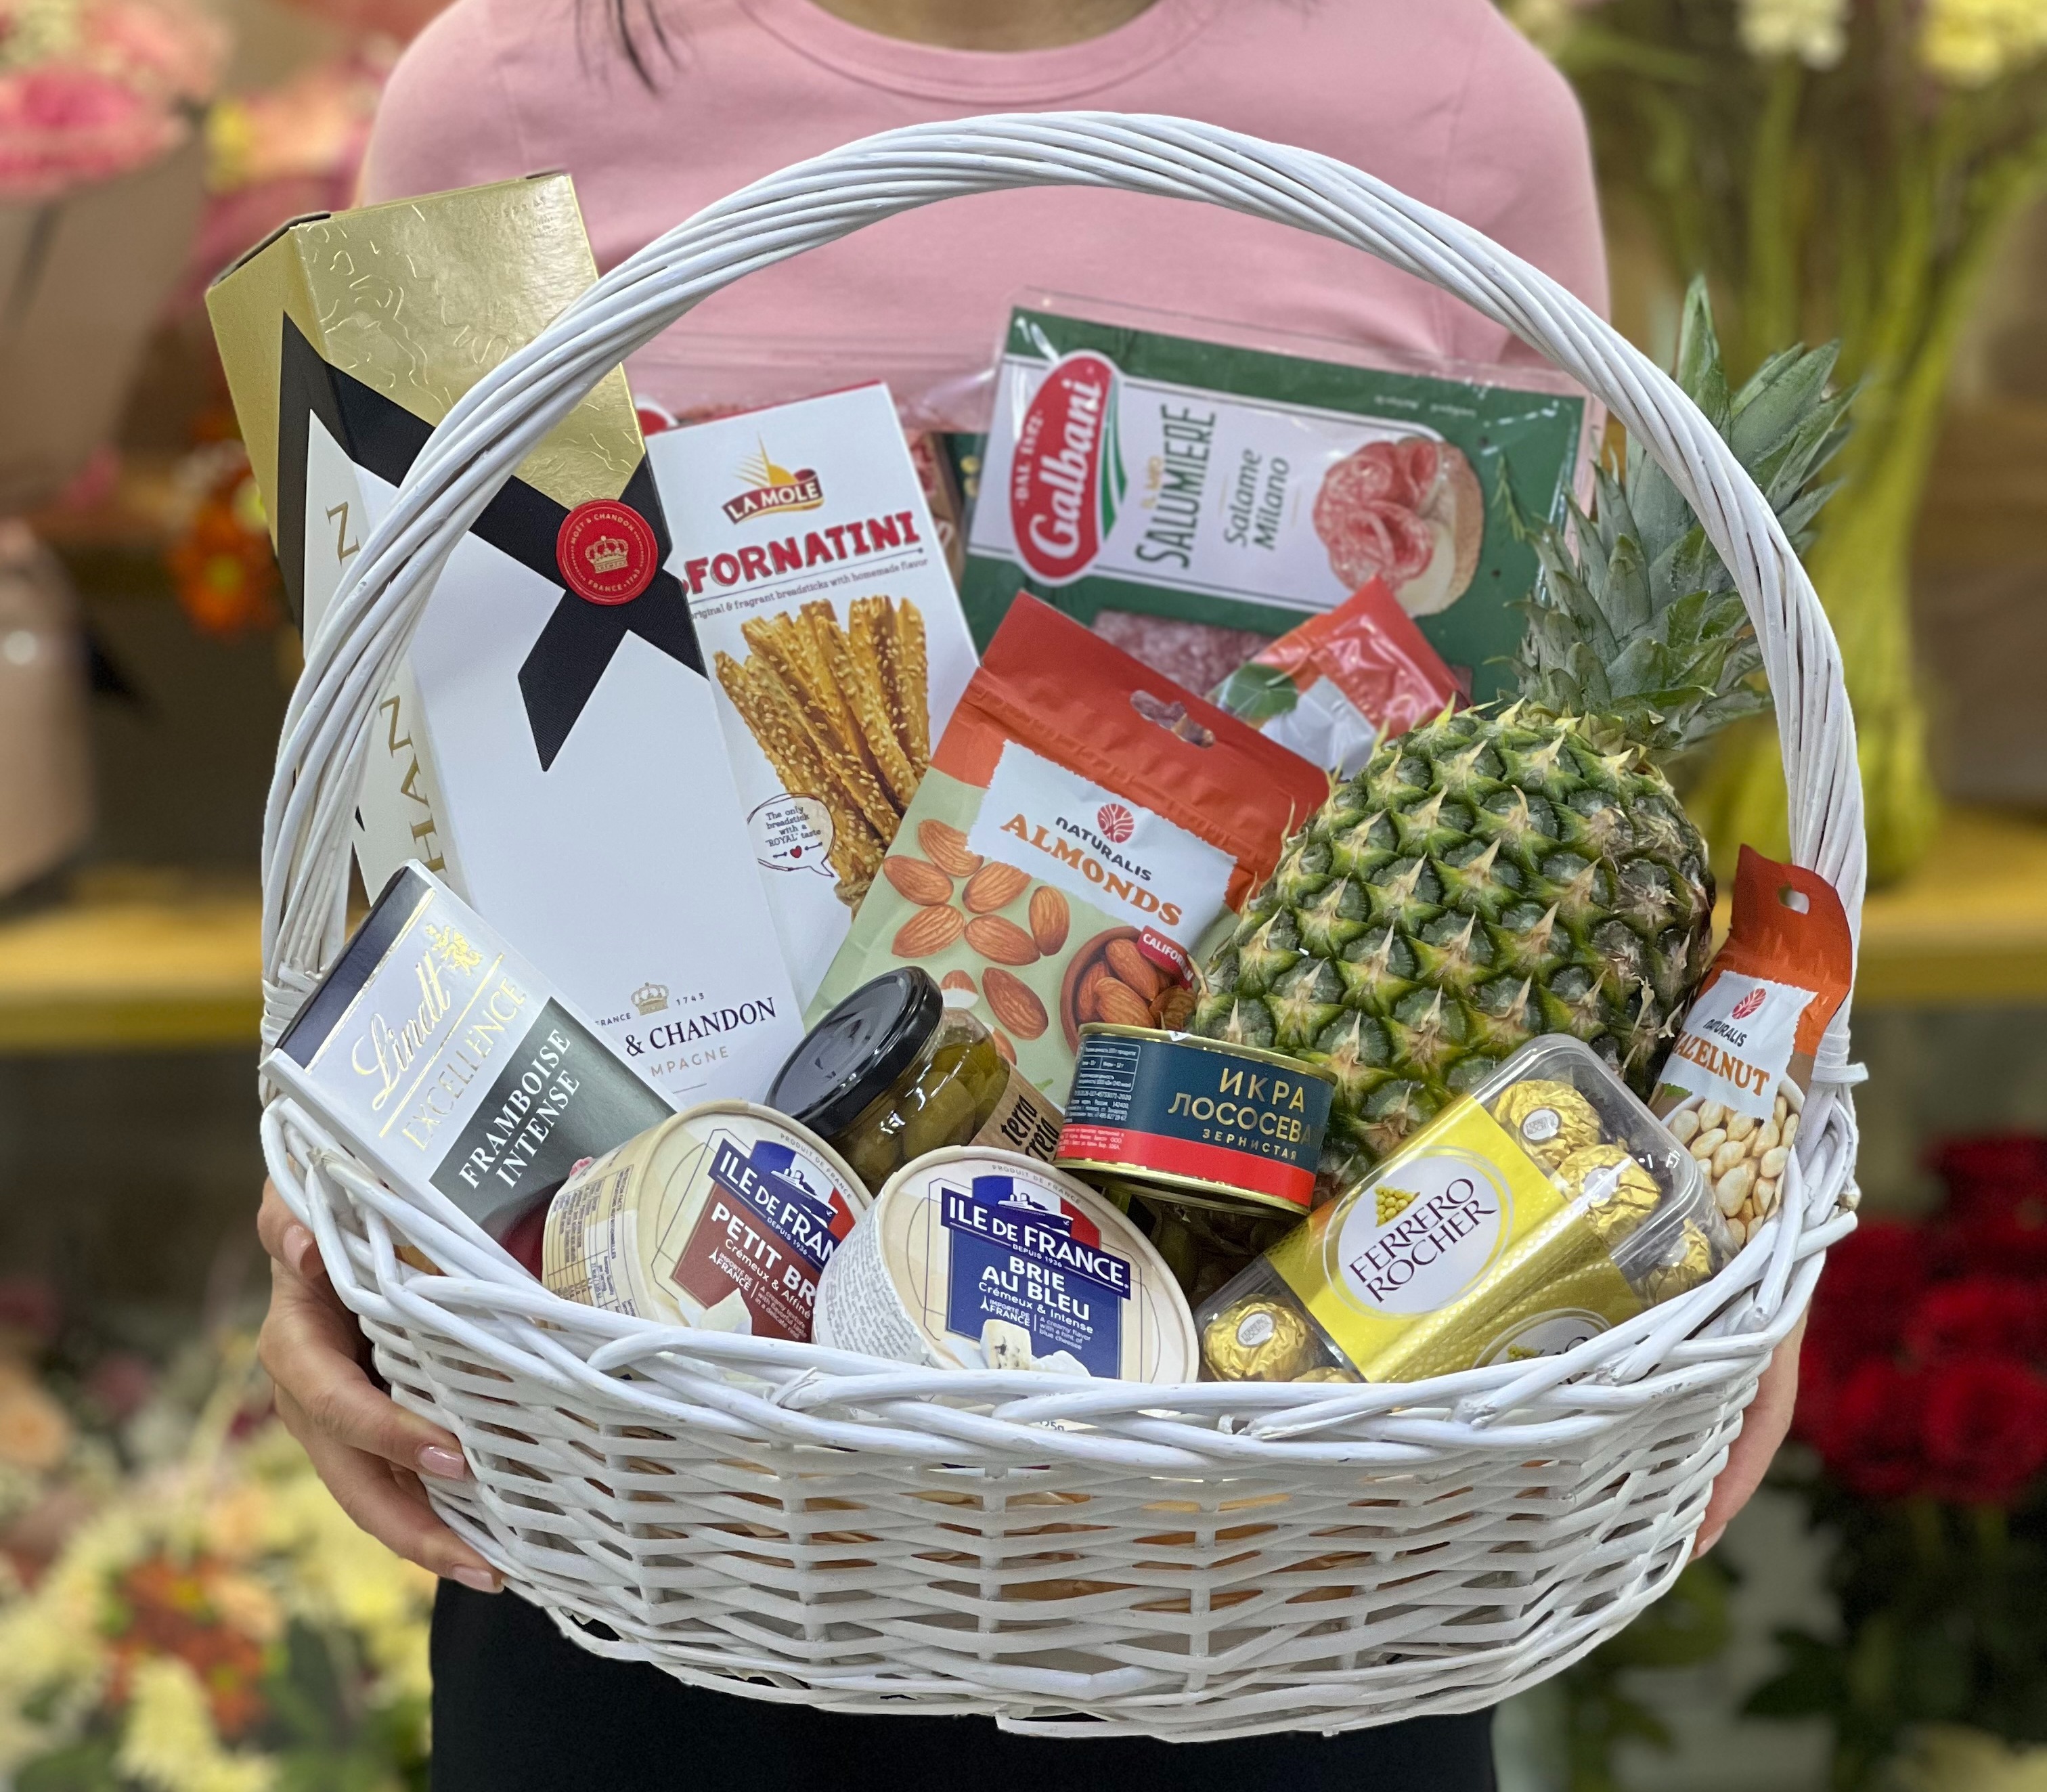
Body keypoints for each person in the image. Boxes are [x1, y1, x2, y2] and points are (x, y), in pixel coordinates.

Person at [258, 1, 1805, 1785]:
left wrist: (1708, 1240)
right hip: (662, 1522)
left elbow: (1555, 831)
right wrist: (310, 1232)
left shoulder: (1454, 105)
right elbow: (379, 833)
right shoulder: (511, 92)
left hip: (1285, 1577)